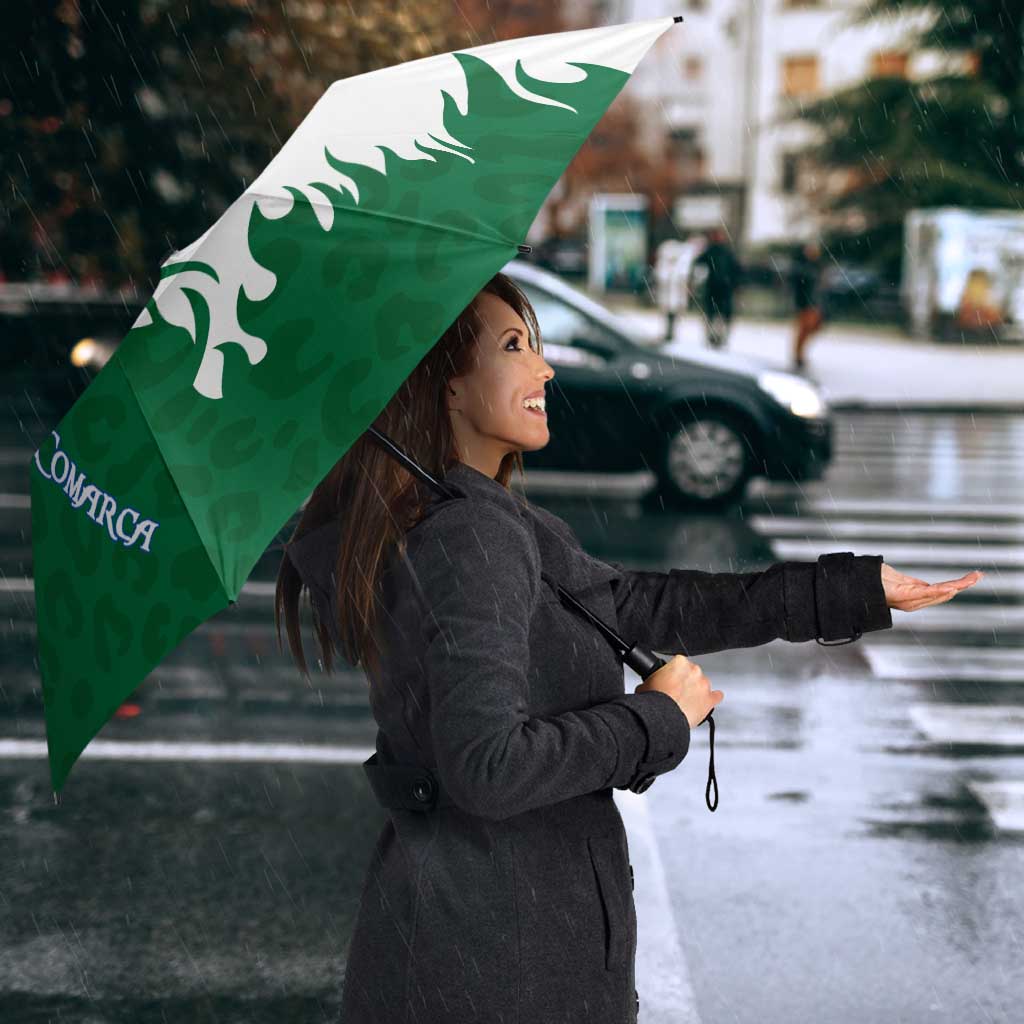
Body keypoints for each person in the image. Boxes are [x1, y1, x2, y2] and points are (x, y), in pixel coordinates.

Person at [276, 272, 982, 1024]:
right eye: (514, 347)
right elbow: (488, 767)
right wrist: (656, 719)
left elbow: (641, 606)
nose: (545, 368)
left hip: (472, 941)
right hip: (500, 962)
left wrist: (848, 590)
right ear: (446, 385)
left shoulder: (469, 519)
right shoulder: (471, 536)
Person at [692, 226, 742, 349]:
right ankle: (713, 337)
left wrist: (735, 284)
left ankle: (719, 337)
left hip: (722, 289)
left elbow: (736, 270)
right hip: (716, 288)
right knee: (714, 314)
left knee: (719, 315)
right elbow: (698, 263)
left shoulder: (724, 252)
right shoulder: (714, 251)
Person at [790, 239, 826, 370]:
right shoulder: (802, 267)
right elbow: (799, 286)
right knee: (804, 329)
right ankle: (798, 355)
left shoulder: (816, 266)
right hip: (805, 303)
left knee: (812, 327)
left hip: (814, 303)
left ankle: (799, 354)